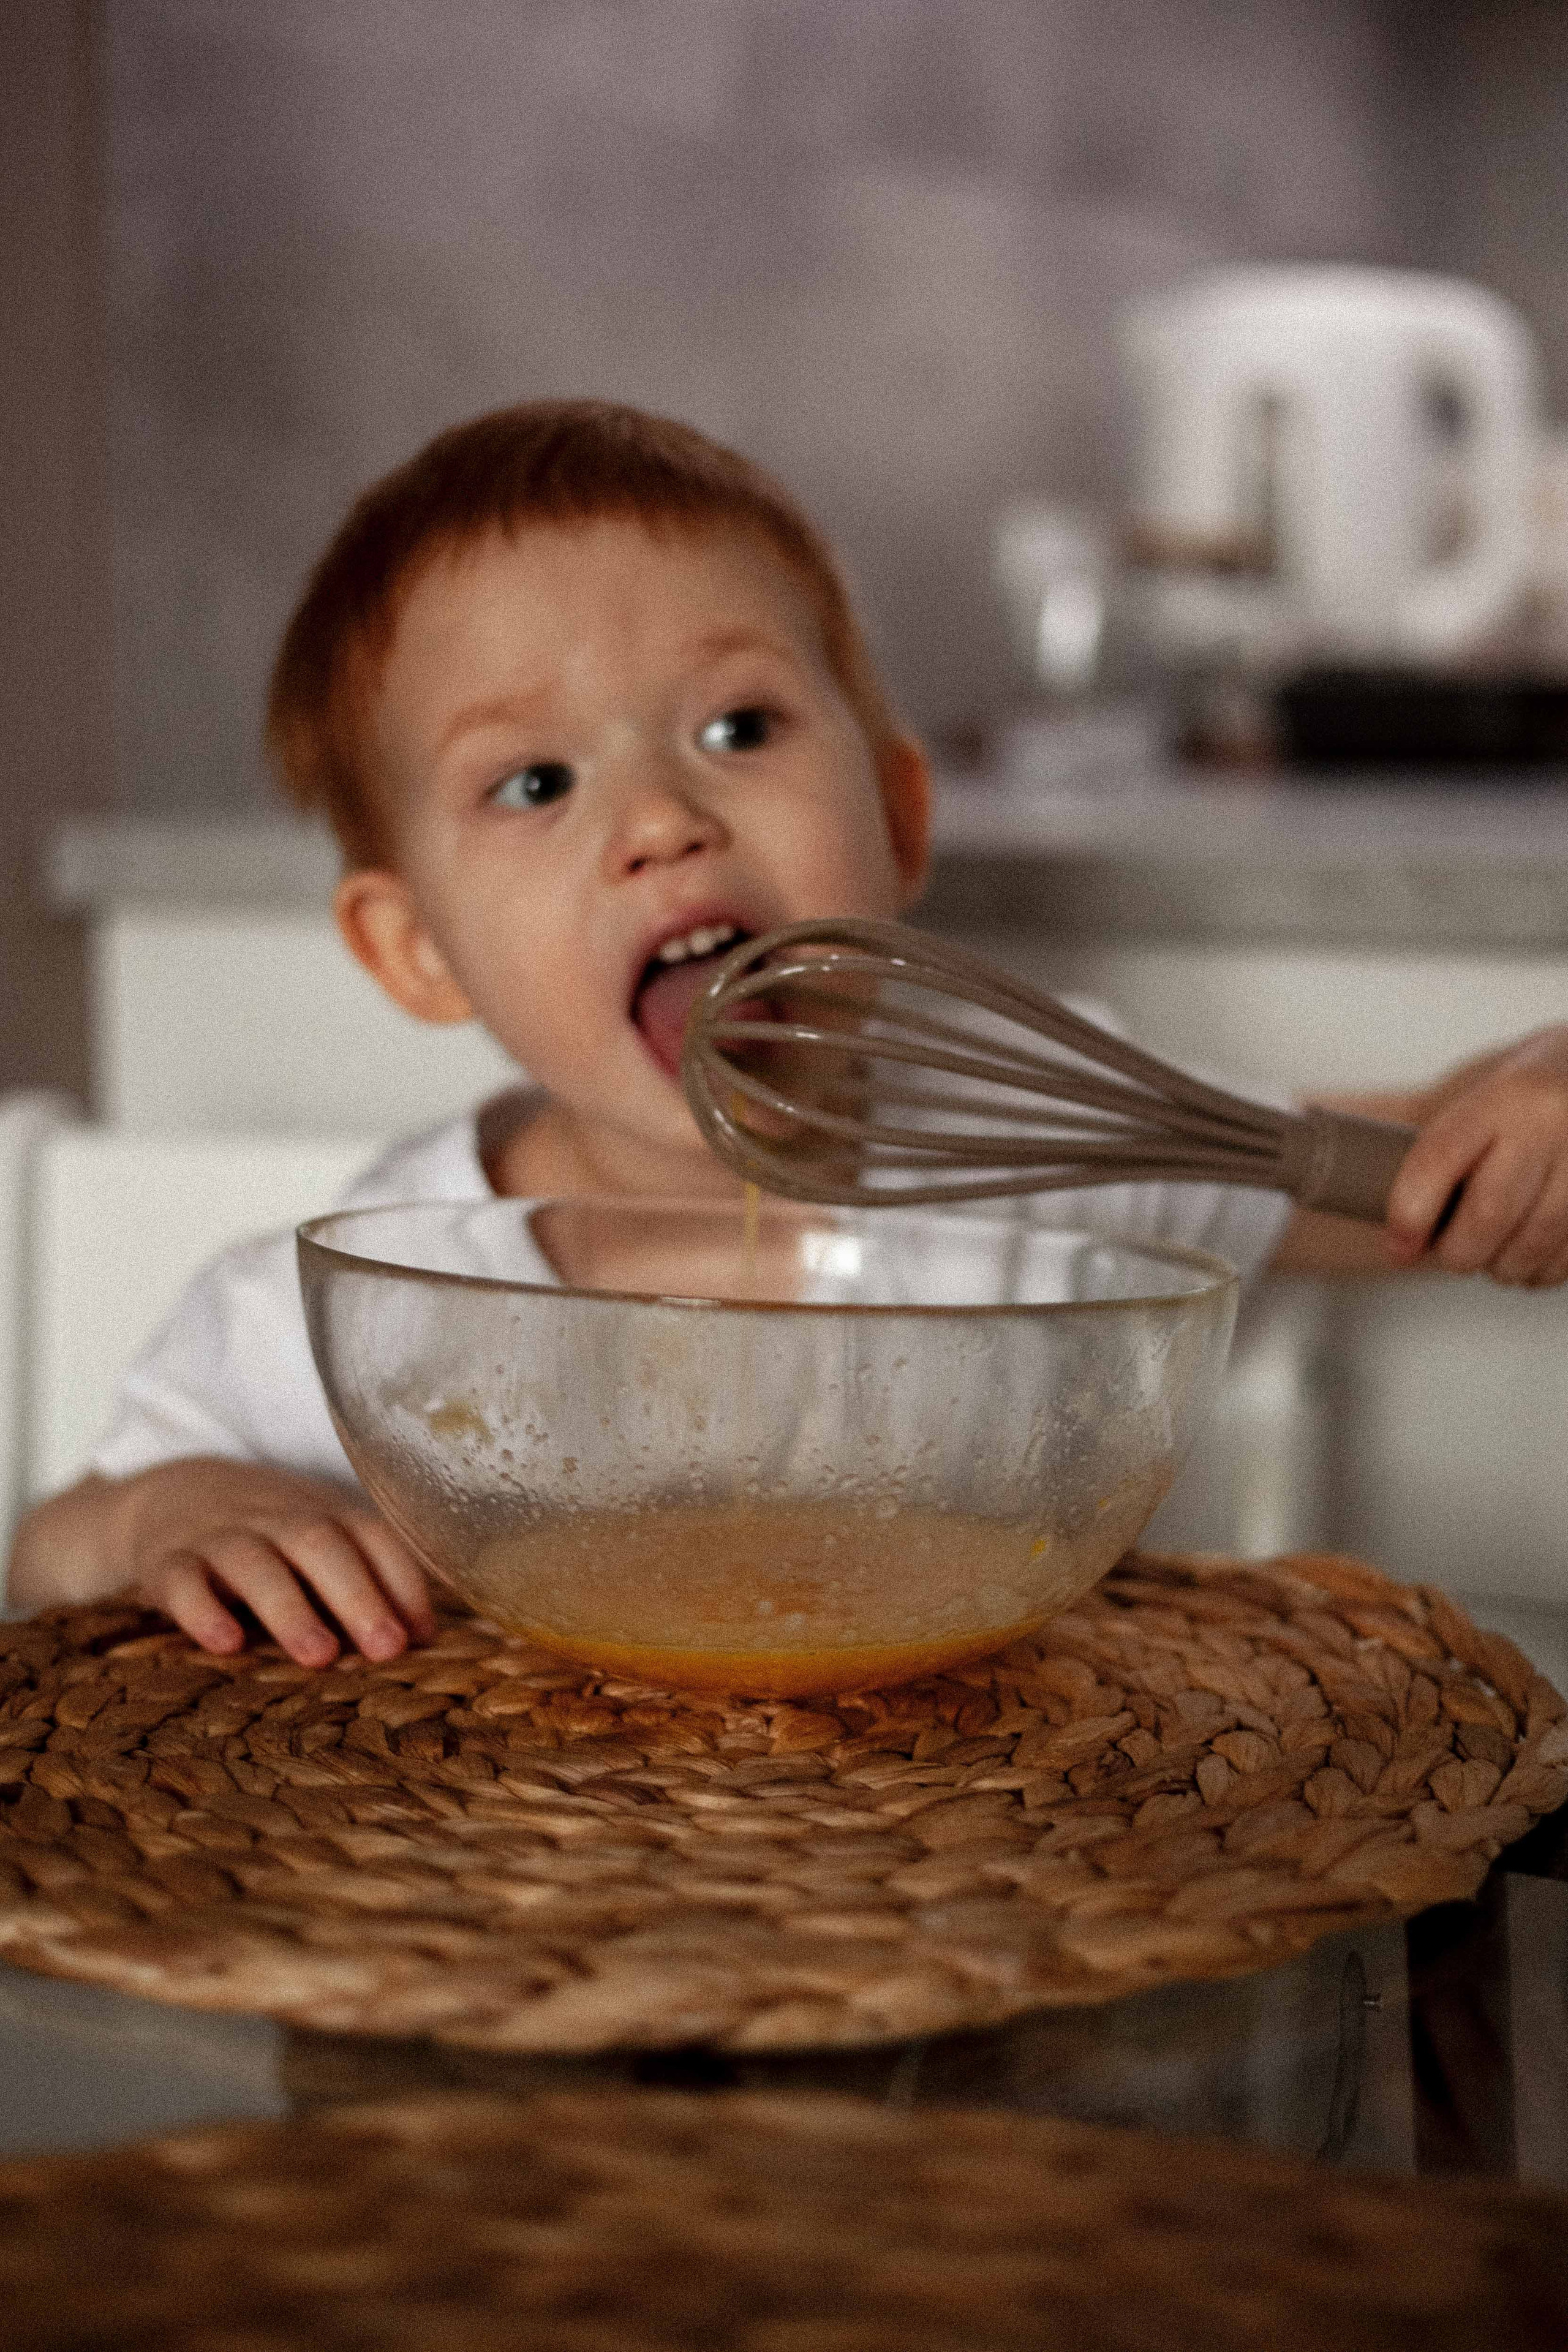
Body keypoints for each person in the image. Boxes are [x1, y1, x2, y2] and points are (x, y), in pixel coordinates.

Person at [9, 401, 1568, 1664]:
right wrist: (168, 1518)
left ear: (896, 815)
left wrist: (1524, 1113)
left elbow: (1426, 1176)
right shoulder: (357, 1311)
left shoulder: (1045, 1161)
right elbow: (56, 1544)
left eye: (736, 726)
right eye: (536, 783)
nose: (660, 820)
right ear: (413, 950)